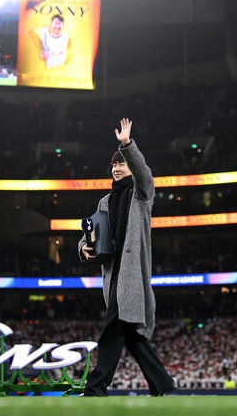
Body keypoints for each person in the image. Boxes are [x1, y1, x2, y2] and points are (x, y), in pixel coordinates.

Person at [78, 118, 176, 397]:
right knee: (131, 337)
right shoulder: (104, 202)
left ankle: (96, 387)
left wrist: (127, 145)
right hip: (113, 276)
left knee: (111, 331)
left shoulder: (141, 195)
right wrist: (83, 246)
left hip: (130, 277)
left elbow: (145, 174)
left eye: (121, 163)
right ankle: (163, 384)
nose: (116, 168)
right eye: (113, 165)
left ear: (130, 165)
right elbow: (92, 232)